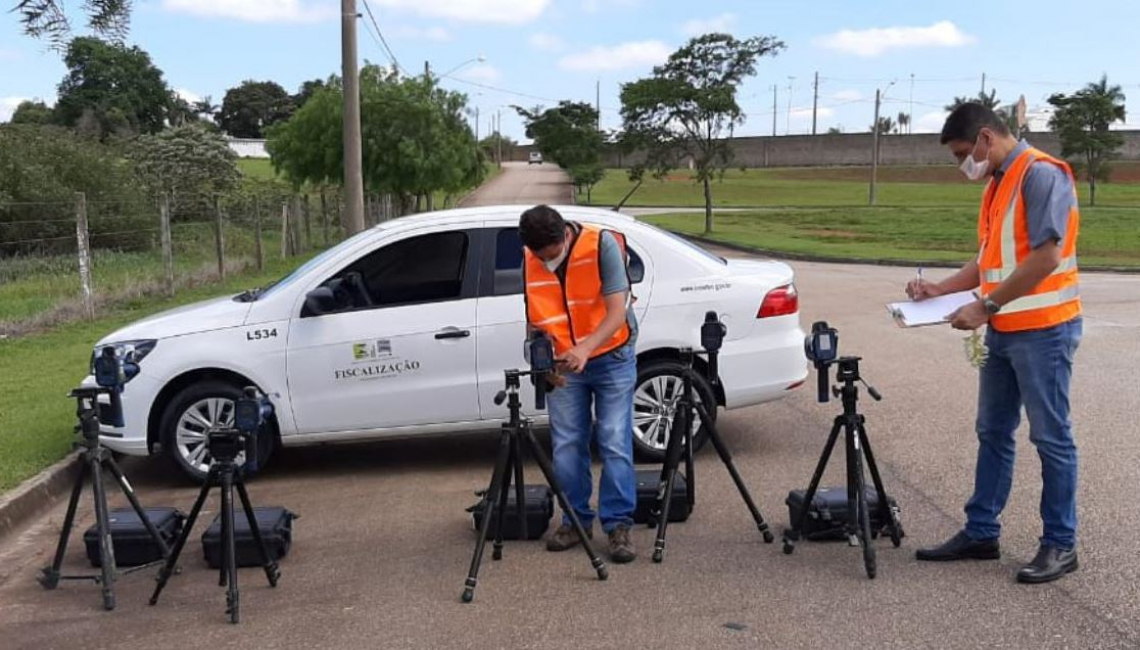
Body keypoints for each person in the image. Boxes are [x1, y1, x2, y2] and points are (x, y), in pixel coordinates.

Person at [910, 103, 1082, 584]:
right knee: (993, 431)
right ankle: (981, 531)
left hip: (1045, 330)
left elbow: (1046, 257)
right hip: (1007, 330)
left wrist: (985, 307)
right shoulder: (999, 182)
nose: (963, 163)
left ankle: (1061, 544)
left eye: (964, 153)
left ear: (986, 138)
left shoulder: (1042, 175)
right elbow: (989, 259)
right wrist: (942, 289)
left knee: (1051, 438)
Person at [518, 205, 639, 563]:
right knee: (567, 444)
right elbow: (535, 316)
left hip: (611, 356)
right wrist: (538, 357)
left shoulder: (601, 245)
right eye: (540, 257)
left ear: (565, 237)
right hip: (564, 364)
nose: (546, 262)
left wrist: (586, 348)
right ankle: (575, 521)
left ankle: (618, 525)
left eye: (551, 255)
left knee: (614, 439)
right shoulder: (530, 256)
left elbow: (617, 311)